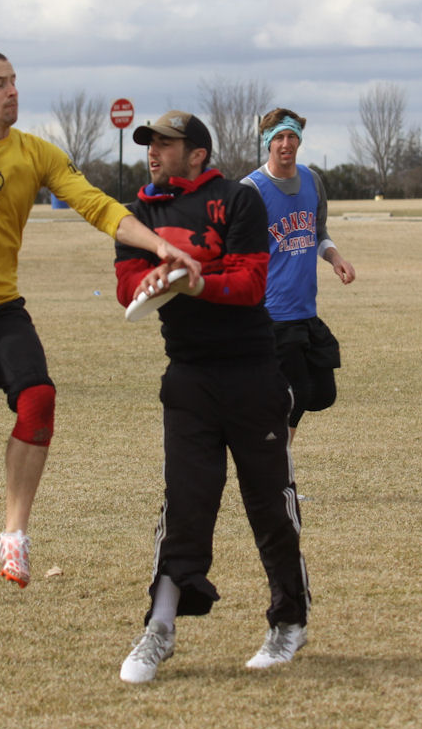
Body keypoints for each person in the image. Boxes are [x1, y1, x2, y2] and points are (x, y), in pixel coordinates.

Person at [0, 52, 200, 589]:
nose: (12, 92)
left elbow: (97, 206)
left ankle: (14, 535)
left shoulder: (35, 153)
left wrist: (158, 246)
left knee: (38, 400)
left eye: (14, 82)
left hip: (1, 305)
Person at [112, 110, 310, 683]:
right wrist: (150, 282)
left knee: (269, 504)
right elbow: (126, 285)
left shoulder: (237, 200)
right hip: (188, 377)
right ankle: (160, 628)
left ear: (198, 154)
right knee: (185, 503)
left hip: (252, 373)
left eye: (166, 144)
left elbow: (250, 284)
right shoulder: (139, 213)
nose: (153, 152)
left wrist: (196, 282)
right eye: (149, 144)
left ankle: (288, 620)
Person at [241, 108, 355, 442]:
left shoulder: (312, 180)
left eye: (292, 136)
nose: (286, 143)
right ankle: (278, 464)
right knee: (298, 394)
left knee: (322, 393)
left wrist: (335, 257)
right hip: (272, 313)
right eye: (278, 137)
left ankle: (265, 433)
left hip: (306, 310)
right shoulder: (251, 189)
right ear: (268, 142)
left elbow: (318, 232)